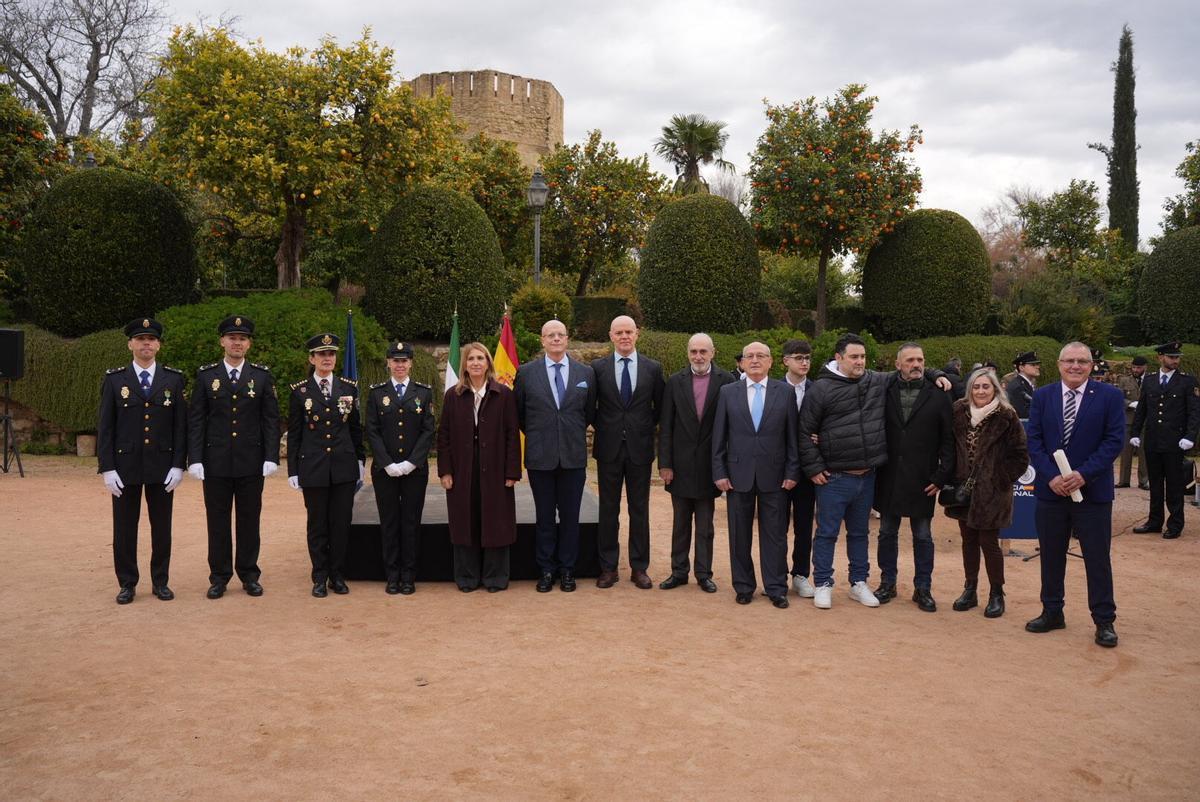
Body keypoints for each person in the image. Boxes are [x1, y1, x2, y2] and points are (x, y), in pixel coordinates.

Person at [798, 333, 951, 609]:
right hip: (833, 477)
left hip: (868, 477)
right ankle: (823, 583)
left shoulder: (875, 380)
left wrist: (936, 373)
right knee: (827, 533)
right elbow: (805, 431)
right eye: (854, 357)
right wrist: (814, 467)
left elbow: (909, 369)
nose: (860, 361)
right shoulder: (820, 389)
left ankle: (858, 582)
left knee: (860, 534)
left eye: (863, 357)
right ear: (838, 358)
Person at [1025, 342, 1125, 648]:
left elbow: (1114, 441)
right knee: (1051, 555)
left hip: (1092, 493)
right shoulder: (1043, 396)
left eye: (1082, 361)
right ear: (1059, 364)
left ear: (1091, 365)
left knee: (1097, 558)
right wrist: (1052, 477)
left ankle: (1104, 620)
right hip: (1051, 492)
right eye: (1069, 360)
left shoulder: (1109, 396)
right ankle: (1052, 611)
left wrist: (1083, 474)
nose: (1075, 366)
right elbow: (1034, 441)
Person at [188, 315, 280, 599]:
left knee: (249, 520)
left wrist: (271, 455)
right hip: (215, 462)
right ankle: (219, 577)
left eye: (242, 338)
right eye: (232, 338)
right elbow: (197, 419)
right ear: (222, 342)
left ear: (249, 344)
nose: (237, 343)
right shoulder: (207, 376)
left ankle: (249, 574)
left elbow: (270, 419)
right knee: (217, 522)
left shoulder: (261, 376)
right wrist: (195, 458)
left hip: (251, 462)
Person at [98, 317, 188, 604]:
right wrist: (107, 468)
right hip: (125, 467)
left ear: (158, 345)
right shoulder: (115, 380)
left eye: (151, 339)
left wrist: (178, 464)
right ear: (130, 345)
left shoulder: (173, 379)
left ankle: (160, 581)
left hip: (162, 467)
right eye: (140, 339)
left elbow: (180, 426)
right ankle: (127, 583)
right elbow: (106, 427)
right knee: (124, 529)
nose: (146, 344)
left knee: (162, 529)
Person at [711, 342, 800, 608]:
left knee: (775, 535)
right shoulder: (728, 392)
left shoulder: (785, 392)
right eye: (749, 356)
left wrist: (792, 470)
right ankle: (743, 586)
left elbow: (792, 437)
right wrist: (719, 471)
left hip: (776, 475)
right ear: (741, 363)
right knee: (739, 534)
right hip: (737, 474)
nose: (755, 360)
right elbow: (719, 436)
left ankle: (776, 587)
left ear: (771, 362)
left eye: (761, 355)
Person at [514, 319, 596, 592]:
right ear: (543, 340)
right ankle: (547, 570)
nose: (556, 339)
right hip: (541, 458)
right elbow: (520, 414)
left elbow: (588, 413)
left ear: (567, 338)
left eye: (560, 334)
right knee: (545, 517)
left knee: (571, 518)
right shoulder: (526, 373)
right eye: (551, 335)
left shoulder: (586, 373)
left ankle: (568, 570)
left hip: (573, 457)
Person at [873, 342, 956, 611]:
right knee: (886, 533)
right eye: (909, 360)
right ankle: (887, 583)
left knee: (922, 536)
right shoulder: (884, 390)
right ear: (898, 365)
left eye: (920, 360)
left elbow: (948, 440)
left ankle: (923, 588)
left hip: (924, 479)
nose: (916, 365)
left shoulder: (939, 394)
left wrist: (941, 476)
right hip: (889, 476)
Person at [436, 342, 521, 592]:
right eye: (471, 359)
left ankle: (495, 577)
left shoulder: (503, 394)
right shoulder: (453, 395)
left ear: (488, 363)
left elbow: (512, 435)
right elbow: (444, 435)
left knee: (496, 521)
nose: (475, 363)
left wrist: (512, 471)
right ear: (465, 364)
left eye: (480, 358)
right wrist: (445, 471)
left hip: (495, 469)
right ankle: (467, 577)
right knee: (465, 521)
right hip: (462, 469)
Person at [945, 367, 1028, 618]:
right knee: (968, 541)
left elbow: (1020, 455)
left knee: (989, 543)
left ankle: (996, 594)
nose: (981, 391)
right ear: (970, 389)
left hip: (992, 491)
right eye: (976, 386)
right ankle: (970, 590)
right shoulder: (958, 411)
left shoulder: (1006, 415)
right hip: (963, 489)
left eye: (986, 386)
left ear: (995, 389)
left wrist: (1000, 479)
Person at [286, 333, 365, 598]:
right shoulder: (300, 391)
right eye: (322, 354)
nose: (327, 358)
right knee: (317, 525)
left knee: (341, 524)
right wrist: (293, 470)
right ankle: (319, 576)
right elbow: (295, 434)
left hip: (343, 466)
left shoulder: (348, 388)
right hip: (314, 468)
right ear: (312, 359)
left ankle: (337, 575)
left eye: (331, 354)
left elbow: (355, 429)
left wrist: (360, 461)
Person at [657, 333, 736, 592]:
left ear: (713, 353)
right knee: (680, 524)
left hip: (709, 467)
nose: (698, 356)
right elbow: (666, 425)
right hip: (679, 467)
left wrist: (725, 467)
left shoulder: (727, 381)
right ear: (688, 353)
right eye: (694, 351)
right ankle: (678, 572)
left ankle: (703, 574)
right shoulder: (674, 382)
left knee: (705, 526)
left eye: (703, 351)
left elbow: (731, 427)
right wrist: (665, 464)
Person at [591, 315, 664, 589]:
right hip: (608, 449)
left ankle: (639, 567)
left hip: (640, 449)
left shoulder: (652, 368)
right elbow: (590, 408)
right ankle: (608, 568)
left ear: (637, 334)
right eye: (619, 332)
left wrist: (640, 427)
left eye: (629, 332)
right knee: (608, 510)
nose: (624, 336)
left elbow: (660, 407)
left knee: (639, 510)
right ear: (611, 336)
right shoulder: (597, 368)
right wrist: (608, 427)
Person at [366, 341, 434, 594]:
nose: (400, 365)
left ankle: (409, 576)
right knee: (389, 522)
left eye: (404, 360)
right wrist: (387, 463)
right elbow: (371, 430)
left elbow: (428, 430)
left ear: (411, 363)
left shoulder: (423, 393)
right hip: (385, 472)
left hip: (415, 471)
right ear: (388, 363)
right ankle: (392, 575)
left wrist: (411, 462)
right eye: (395, 361)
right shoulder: (376, 393)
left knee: (411, 522)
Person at [1131, 341, 1200, 539]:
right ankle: (1154, 521)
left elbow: (1194, 412)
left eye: (1177, 357)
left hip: (1175, 441)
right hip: (1153, 440)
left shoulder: (1187, 381)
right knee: (1155, 483)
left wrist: (1190, 436)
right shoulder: (1150, 380)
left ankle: (1175, 523)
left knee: (1174, 484)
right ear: (1160, 357)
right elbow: (1142, 409)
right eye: (1171, 357)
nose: (1175, 361)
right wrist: (1135, 432)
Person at [780, 338, 817, 598]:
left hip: (807, 470)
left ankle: (801, 575)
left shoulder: (818, 389)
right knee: (777, 527)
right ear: (786, 361)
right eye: (798, 358)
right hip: (778, 469)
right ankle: (777, 574)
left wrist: (824, 436)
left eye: (807, 358)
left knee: (804, 525)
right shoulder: (772, 389)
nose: (804, 362)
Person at [1116, 355, 1149, 489]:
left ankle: (1144, 481)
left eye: (1138, 367)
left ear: (1145, 367)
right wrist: (1130, 403)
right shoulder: (1124, 380)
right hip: (1128, 420)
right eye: (1134, 367)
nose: (1135, 370)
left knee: (1144, 452)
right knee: (1126, 452)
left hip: (1145, 421)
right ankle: (1124, 480)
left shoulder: (1150, 380)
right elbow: (1118, 397)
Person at [1004, 351, 1040, 419]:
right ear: (1021, 368)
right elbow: (1023, 414)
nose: (1037, 367)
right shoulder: (1017, 387)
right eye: (1033, 365)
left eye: (1037, 364)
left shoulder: (1026, 384)